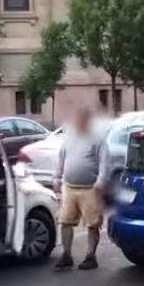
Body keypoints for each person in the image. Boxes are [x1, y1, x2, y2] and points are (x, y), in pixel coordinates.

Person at [52, 108, 111, 271]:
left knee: (93, 224)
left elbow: (104, 164)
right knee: (65, 221)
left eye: (83, 119)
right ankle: (66, 255)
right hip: (69, 187)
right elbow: (61, 159)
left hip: (90, 189)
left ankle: (91, 256)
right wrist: (56, 177)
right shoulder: (69, 139)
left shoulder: (97, 140)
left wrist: (100, 183)